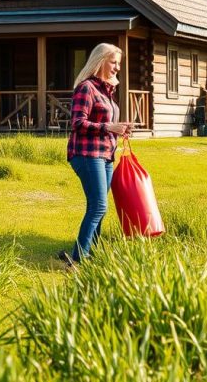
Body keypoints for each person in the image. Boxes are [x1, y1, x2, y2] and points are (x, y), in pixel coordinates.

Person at [59, 43, 132, 266]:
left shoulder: (106, 91)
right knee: (99, 206)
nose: (117, 68)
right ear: (100, 61)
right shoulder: (86, 88)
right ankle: (78, 259)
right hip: (86, 154)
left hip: (105, 155)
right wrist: (109, 127)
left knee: (98, 206)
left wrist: (120, 128)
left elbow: (105, 122)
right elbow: (77, 122)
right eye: (113, 62)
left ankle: (91, 253)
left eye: (119, 63)